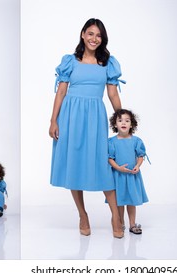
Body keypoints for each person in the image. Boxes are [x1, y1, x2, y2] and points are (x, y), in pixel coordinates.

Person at [49, 18, 125, 238]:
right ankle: (82, 214)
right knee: (74, 165)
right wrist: (53, 120)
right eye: (91, 34)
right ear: (83, 34)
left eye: (99, 35)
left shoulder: (108, 63)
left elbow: (112, 94)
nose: (94, 39)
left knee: (102, 165)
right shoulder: (70, 61)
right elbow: (61, 92)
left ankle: (116, 217)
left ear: (103, 39)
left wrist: (122, 119)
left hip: (94, 116)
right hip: (70, 116)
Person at [108, 109, 149, 234]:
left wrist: (137, 165)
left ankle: (132, 224)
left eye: (127, 120)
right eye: (120, 120)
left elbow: (141, 156)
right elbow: (110, 158)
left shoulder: (136, 141)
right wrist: (118, 168)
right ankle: (120, 223)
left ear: (132, 124)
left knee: (131, 201)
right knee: (119, 201)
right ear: (115, 124)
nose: (123, 123)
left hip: (132, 175)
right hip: (118, 176)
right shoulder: (112, 142)